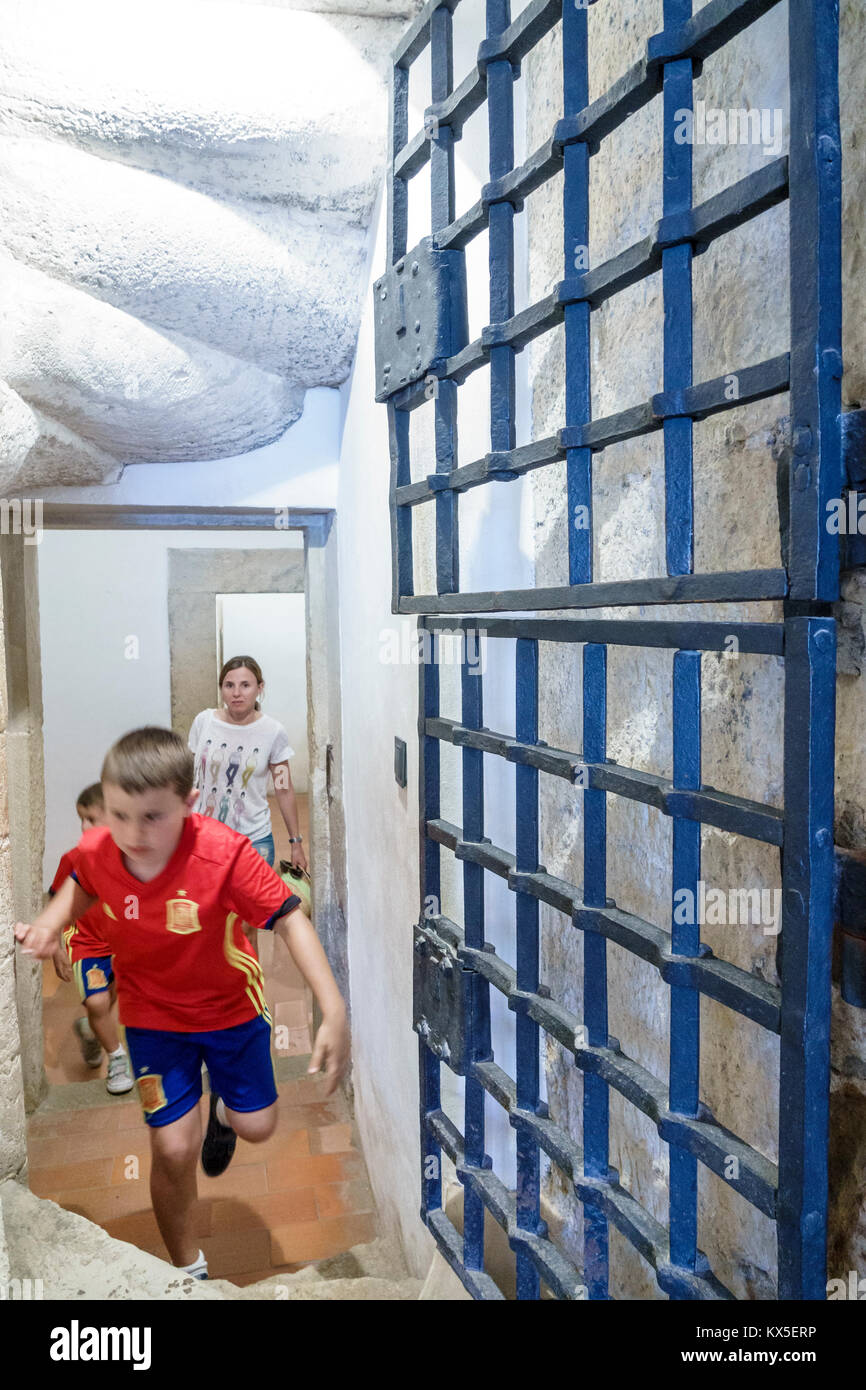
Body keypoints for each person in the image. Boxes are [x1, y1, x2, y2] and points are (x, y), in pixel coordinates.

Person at [14, 727, 349, 1281]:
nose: (132, 834)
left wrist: (333, 1008)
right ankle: (187, 1269)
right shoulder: (103, 847)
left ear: (189, 805)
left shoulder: (224, 853)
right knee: (172, 1149)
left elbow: (290, 917)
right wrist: (52, 924)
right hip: (151, 1022)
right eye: (118, 815)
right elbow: (79, 877)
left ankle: (223, 1110)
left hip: (231, 1012)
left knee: (258, 1125)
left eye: (152, 817)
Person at [49, 783, 134, 1095]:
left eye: (91, 819)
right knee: (97, 1000)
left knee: (109, 996)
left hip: (123, 944)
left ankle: (91, 1029)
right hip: (87, 943)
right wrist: (56, 945)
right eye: (80, 819)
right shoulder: (73, 858)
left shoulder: (133, 858)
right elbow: (56, 900)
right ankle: (117, 1058)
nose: (83, 827)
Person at [188, 656, 307, 872]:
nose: (236, 693)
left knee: (251, 906)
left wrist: (295, 842)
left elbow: (283, 788)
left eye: (245, 685)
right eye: (229, 685)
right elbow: (190, 777)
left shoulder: (273, 732)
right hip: (204, 837)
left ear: (260, 688)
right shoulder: (203, 722)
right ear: (221, 688)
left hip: (253, 840)